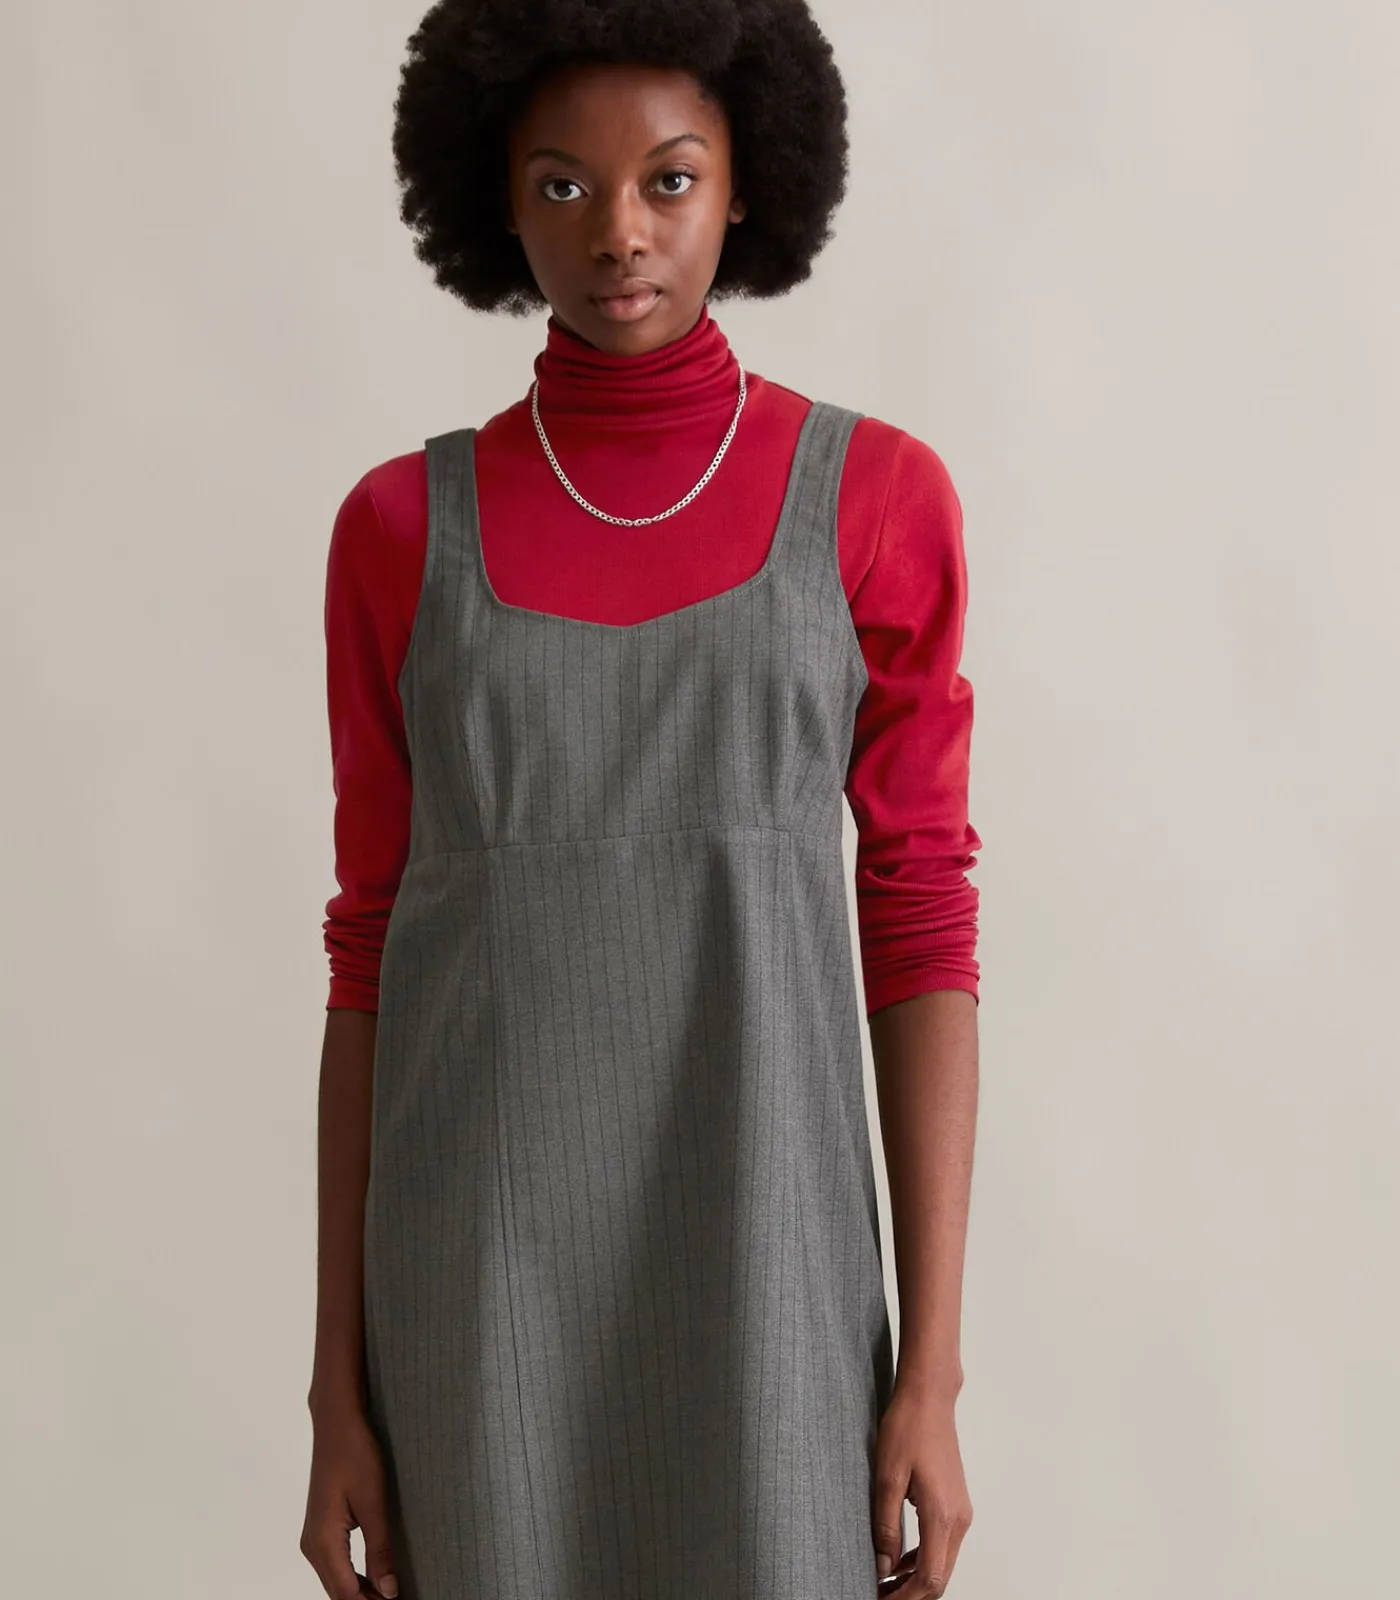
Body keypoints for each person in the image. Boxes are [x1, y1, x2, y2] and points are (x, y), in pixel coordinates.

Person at [301, 3, 981, 1598]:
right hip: (479, 1288)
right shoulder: (397, 531)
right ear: (495, 196)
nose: (617, 232)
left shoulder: (877, 500)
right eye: (563, 185)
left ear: (746, 185)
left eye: (668, 180)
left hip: (771, 1270)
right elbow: (367, 955)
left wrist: (932, 1376)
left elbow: (921, 929)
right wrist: (337, 1392)